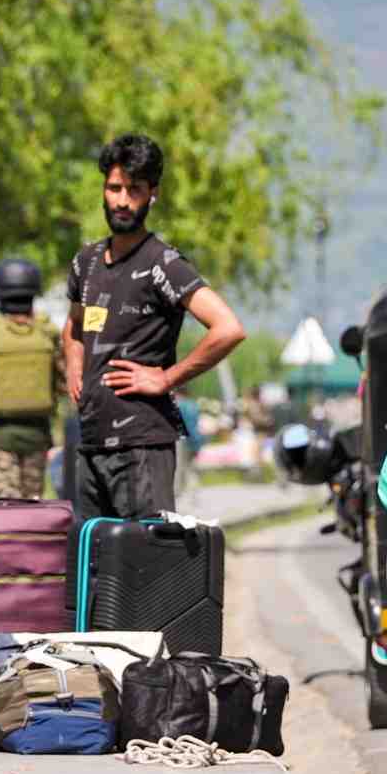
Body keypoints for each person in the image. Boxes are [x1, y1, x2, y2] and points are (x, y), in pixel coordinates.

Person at [63, 134, 245, 520]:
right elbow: (74, 327)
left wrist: (166, 377)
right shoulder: (86, 263)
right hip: (91, 445)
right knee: (93, 567)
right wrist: (73, 363)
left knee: (146, 568)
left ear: (152, 195)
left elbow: (227, 328)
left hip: (142, 446)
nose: (123, 200)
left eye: (135, 189)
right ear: (104, 190)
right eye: (115, 188)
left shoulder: (163, 264)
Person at [0, 258, 63, 500]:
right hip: (38, 436)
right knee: (31, 508)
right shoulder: (46, 332)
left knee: (3, 511)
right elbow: (62, 381)